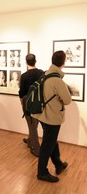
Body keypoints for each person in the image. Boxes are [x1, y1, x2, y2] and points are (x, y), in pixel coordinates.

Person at [32, 50, 72, 182]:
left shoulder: (45, 74)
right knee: (47, 145)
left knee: (51, 140)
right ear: (63, 62)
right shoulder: (57, 80)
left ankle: (58, 164)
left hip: (43, 115)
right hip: (52, 117)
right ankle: (42, 172)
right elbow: (67, 100)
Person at [18, 54, 44, 157]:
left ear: (26, 62)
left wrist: (22, 103)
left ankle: (36, 149)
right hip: (38, 103)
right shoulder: (41, 73)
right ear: (35, 61)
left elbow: (22, 92)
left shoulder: (24, 76)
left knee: (32, 126)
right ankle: (30, 140)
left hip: (28, 103)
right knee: (34, 124)